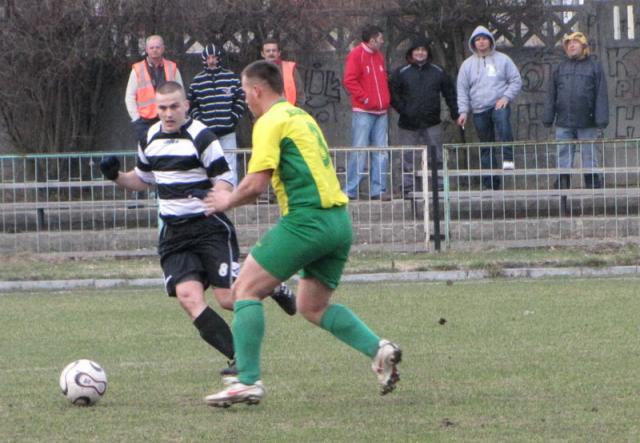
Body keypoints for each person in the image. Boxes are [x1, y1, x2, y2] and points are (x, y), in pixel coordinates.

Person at [202, 61, 402, 408]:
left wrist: (226, 201)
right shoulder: (301, 116)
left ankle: (246, 381)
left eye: (244, 92)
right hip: (338, 222)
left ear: (256, 90)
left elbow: (257, 183)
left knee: (244, 290)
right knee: (312, 305)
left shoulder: (270, 121)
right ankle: (378, 349)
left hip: (307, 220)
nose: (245, 100)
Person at [100, 82, 296, 380]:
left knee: (228, 298)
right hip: (174, 234)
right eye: (162, 108)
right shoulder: (149, 138)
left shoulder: (202, 137)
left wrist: (214, 195)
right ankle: (239, 358)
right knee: (188, 297)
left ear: (186, 106)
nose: (168, 113)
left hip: (208, 228)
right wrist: (115, 175)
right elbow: (142, 180)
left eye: (174, 107)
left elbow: (225, 180)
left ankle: (273, 286)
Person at [389, 36, 458, 196]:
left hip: (432, 122)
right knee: (408, 156)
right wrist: (404, 110)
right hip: (408, 124)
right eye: (417, 50)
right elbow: (393, 95)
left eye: (423, 50)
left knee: (437, 155)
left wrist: (456, 114)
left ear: (428, 53)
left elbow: (449, 94)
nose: (420, 53)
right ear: (411, 52)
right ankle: (408, 187)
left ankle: (439, 186)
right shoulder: (401, 72)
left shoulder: (438, 71)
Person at [456, 25, 522, 190]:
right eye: (477, 39)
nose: (481, 42)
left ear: (490, 40)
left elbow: (516, 80)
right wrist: (463, 112)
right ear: (473, 43)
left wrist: (506, 97)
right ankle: (491, 183)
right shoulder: (467, 65)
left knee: (504, 129)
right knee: (486, 145)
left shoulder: (503, 59)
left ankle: (508, 160)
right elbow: (462, 90)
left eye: (484, 38)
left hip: (498, 105)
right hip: (479, 109)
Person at [542, 32, 608, 189]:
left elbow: (601, 94)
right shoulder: (560, 67)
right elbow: (551, 94)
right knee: (563, 152)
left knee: (589, 152)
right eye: (568, 43)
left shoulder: (595, 67)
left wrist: (601, 120)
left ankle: (592, 183)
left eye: (575, 42)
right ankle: (563, 183)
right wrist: (548, 117)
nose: (571, 45)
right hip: (564, 120)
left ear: (584, 46)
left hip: (587, 120)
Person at [343, 24, 391, 201]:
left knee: (381, 152)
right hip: (363, 110)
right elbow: (349, 80)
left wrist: (384, 99)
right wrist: (365, 99)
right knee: (360, 150)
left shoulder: (378, 56)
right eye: (380, 38)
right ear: (372, 40)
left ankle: (378, 190)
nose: (382, 41)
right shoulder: (356, 55)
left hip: (381, 111)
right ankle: (350, 189)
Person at [188, 43, 246, 186]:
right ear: (204, 60)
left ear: (219, 58)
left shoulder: (231, 77)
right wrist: (200, 121)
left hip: (227, 131)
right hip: (207, 132)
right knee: (208, 163)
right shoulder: (197, 81)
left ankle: (232, 194)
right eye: (208, 58)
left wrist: (233, 118)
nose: (211, 61)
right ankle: (211, 193)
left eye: (214, 57)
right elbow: (191, 104)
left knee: (230, 164)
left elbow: (241, 99)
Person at [125, 35, 183, 144]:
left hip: (169, 119)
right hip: (145, 122)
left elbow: (181, 94)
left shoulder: (172, 68)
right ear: (147, 50)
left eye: (157, 47)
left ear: (163, 48)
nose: (154, 50)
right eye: (151, 48)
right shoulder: (137, 69)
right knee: (148, 151)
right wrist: (136, 119)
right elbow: (130, 96)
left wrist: (180, 115)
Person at [260, 38, 305, 107]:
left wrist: (294, 109)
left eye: (274, 50)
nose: (271, 53)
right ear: (262, 54)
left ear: (279, 53)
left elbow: (300, 93)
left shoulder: (290, 68)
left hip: (287, 110)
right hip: (265, 111)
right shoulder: (256, 71)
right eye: (268, 51)